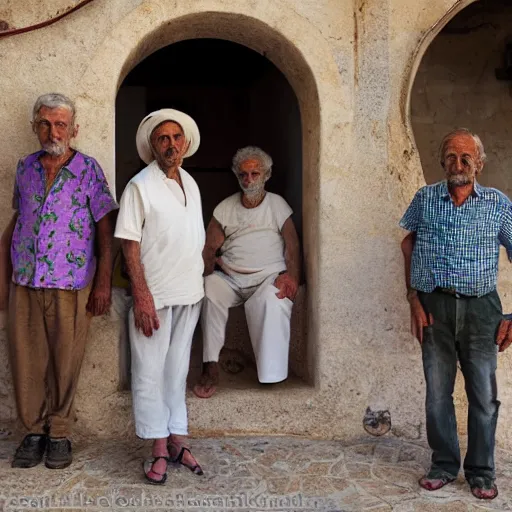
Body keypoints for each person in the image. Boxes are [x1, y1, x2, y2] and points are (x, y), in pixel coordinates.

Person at [0, 93, 117, 469]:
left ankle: (60, 432)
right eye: (46, 123)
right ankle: (32, 432)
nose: (54, 131)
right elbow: (19, 220)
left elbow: (105, 229)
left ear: (74, 128)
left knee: (66, 360)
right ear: (36, 127)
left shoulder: (88, 169)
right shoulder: (25, 168)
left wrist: (103, 282)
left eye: (61, 124)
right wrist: (2, 275)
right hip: (26, 278)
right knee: (26, 358)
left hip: (72, 281)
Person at [400, 128, 512, 500]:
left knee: (483, 395)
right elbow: (408, 241)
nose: (458, 163)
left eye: (466, 157)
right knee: (437, 393)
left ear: (479, 163)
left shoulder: (497, 203)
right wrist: (413, 297)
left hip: (483, 310)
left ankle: (481, 472)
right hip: (434, 306)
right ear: (442, 160)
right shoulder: (425, 198)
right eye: (451, 156)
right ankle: (444, 465)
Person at [115, 109, 205, 485]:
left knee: (177, 369)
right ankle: (156, 447)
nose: (171, 144)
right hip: (156, 296)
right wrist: (142, 294)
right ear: (152, 145)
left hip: (189, 293)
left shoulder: (190, 182)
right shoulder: (140, 185)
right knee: (150, 371)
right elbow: (129, 243)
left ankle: (178, 439)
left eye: (176, 138)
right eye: (162, 138)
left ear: (185, 144)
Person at [193, 146, 301, 399]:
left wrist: (292, 277)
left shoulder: (277, 205)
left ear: (267, 175)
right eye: (243, 175)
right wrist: (201, 275)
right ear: (236, 175)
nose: (249, 180)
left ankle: (270, 375)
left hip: (267, 278)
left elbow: (293, 246)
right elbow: (209, 248)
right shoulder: (225, 209)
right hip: (230, 278)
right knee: (208, 290)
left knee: (273, 301)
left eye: (255, 174)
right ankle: (210, 366)